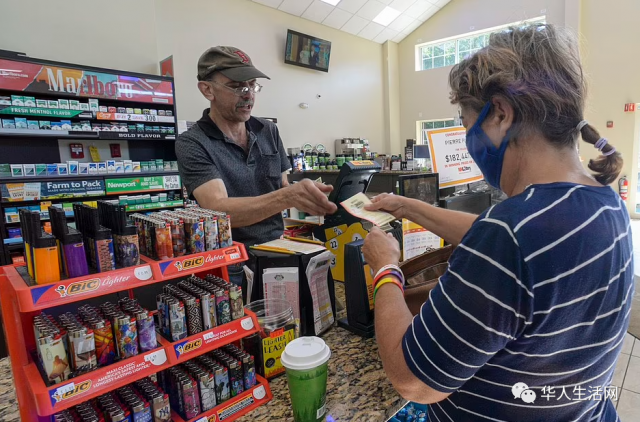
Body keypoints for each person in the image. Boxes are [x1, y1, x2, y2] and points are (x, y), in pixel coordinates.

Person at [362, 24, 632, 421]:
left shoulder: (511, 234)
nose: (469, 139)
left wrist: (385, 269)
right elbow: (520, 258)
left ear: (501, 113)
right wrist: (409, 206)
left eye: (469, 123)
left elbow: (413, 381)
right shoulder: (603, 199)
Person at [176, 46, 336, 285]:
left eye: (252, 85)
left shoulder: (268, 130)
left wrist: (307, 195)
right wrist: (287, 197)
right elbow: (218, 210)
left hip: (278, 250)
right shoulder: (192, 142)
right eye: (237, 86)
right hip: (231, 265)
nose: (249, 94)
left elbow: (282, 185)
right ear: (207, 89)